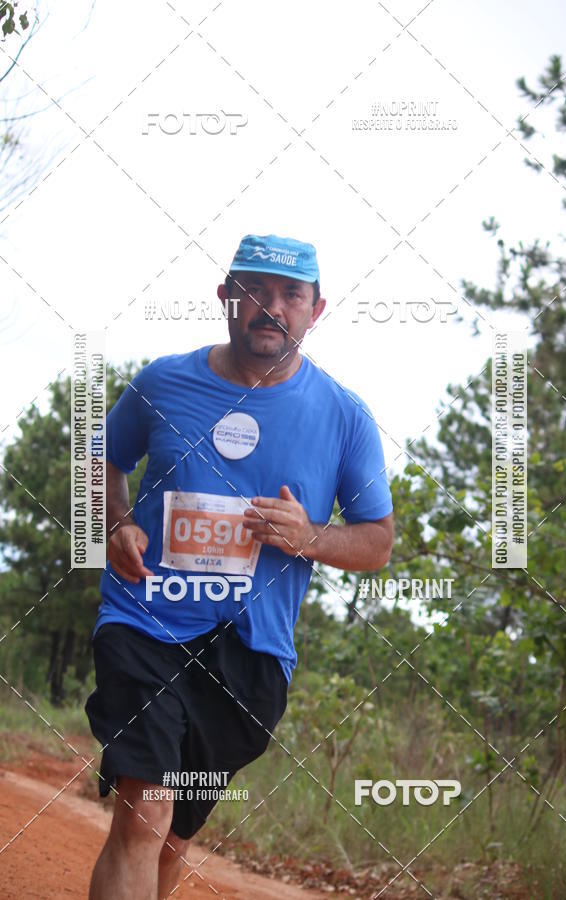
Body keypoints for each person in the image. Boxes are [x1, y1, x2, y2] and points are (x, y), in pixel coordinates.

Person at [85, 233, 394, 899]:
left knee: (173, 839)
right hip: (146, 618)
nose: (270, 306)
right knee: (147, 811)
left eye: (290, 295)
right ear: (227, 297)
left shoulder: (345, 416)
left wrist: (310, 536)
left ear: (317, 309)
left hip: (252, 654)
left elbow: (377, 544)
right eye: (254, 289)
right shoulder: (163, 381)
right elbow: (101, 457)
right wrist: (114, 523)